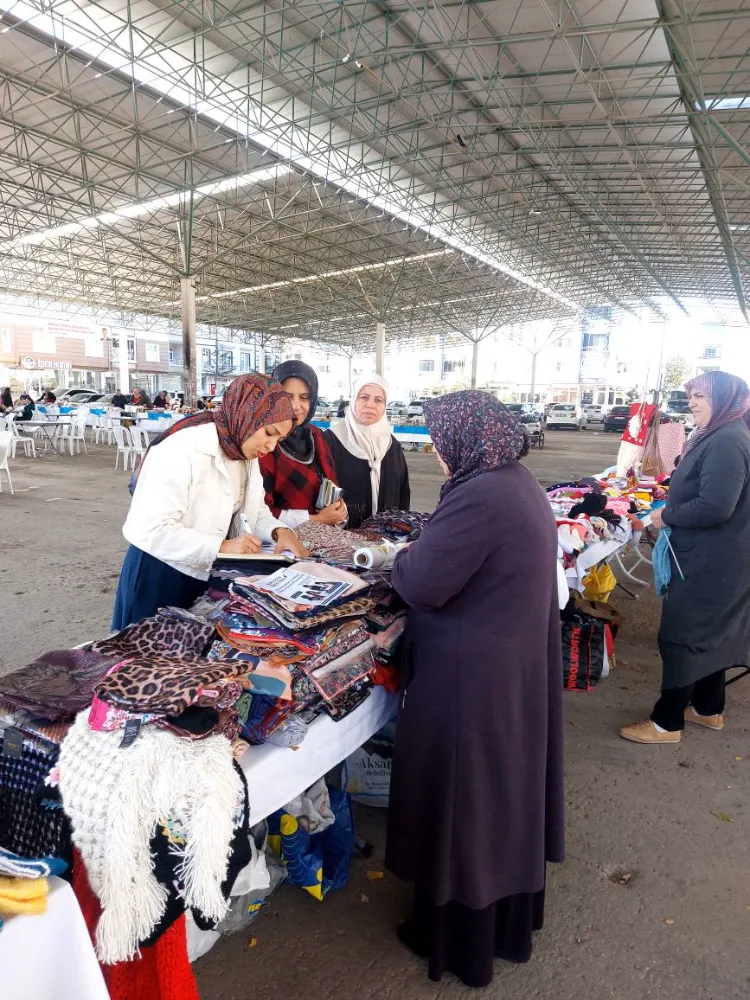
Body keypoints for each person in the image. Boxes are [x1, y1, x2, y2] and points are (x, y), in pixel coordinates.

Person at [385, 390, 564, 989]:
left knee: (466, 803)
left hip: (472, 676)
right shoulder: (513, 480)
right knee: (495, 800)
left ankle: (460, 943)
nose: (435, 451)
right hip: (503, 667)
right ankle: (500, 923)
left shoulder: (482, 495)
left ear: (465, 437)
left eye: (439, 439)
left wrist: (405, 556)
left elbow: (424, 581)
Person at [112, 374, 308, 630]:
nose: (271, 446)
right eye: (269, 433)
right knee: (149, 658)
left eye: (278, 440)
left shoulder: (244, 452)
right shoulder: (183, 447)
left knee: (192, 660)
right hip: (159, 575)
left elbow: (255, 512)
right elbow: (149, 529)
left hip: (207, 575)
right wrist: (222, 546)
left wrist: (280, 531)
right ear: (247, 415)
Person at [620, 371, 750, 744]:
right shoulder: (722, 434)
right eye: (691, 395)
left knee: (683, 636)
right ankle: (708, 709)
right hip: (717, 556)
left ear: (724, 400)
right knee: (710, 635)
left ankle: (666, 723)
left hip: (711, 560)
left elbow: (715, 506)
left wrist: (666, 515)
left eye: (701, 397)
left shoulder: (726, 440)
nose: (691, 402)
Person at [259, 360, 346, 528]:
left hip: (322, 542)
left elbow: (331, 483)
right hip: (280, 545)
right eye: (287, 397)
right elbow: (259, 512)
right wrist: (316, 520)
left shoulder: (316, 435)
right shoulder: (264, 440)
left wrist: (338, 509)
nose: (296, 406)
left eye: (304, 398)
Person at [325, 375, 410, 529]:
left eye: (378, 400)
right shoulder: (331, 440)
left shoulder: (392, 446)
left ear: (385, 406)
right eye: (364, 397)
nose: (370, 405)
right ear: (354, 401)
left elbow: (403, 495)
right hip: (341, 540)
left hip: (385, 541)